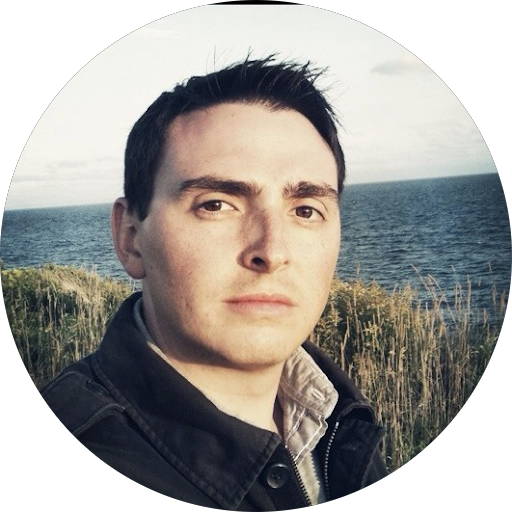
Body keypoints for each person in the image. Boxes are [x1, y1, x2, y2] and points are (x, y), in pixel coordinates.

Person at [42, 55, 388, 508]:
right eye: (216, 205)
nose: (272, 250)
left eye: (306, 210)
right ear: (130, 237)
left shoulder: (344, 420)